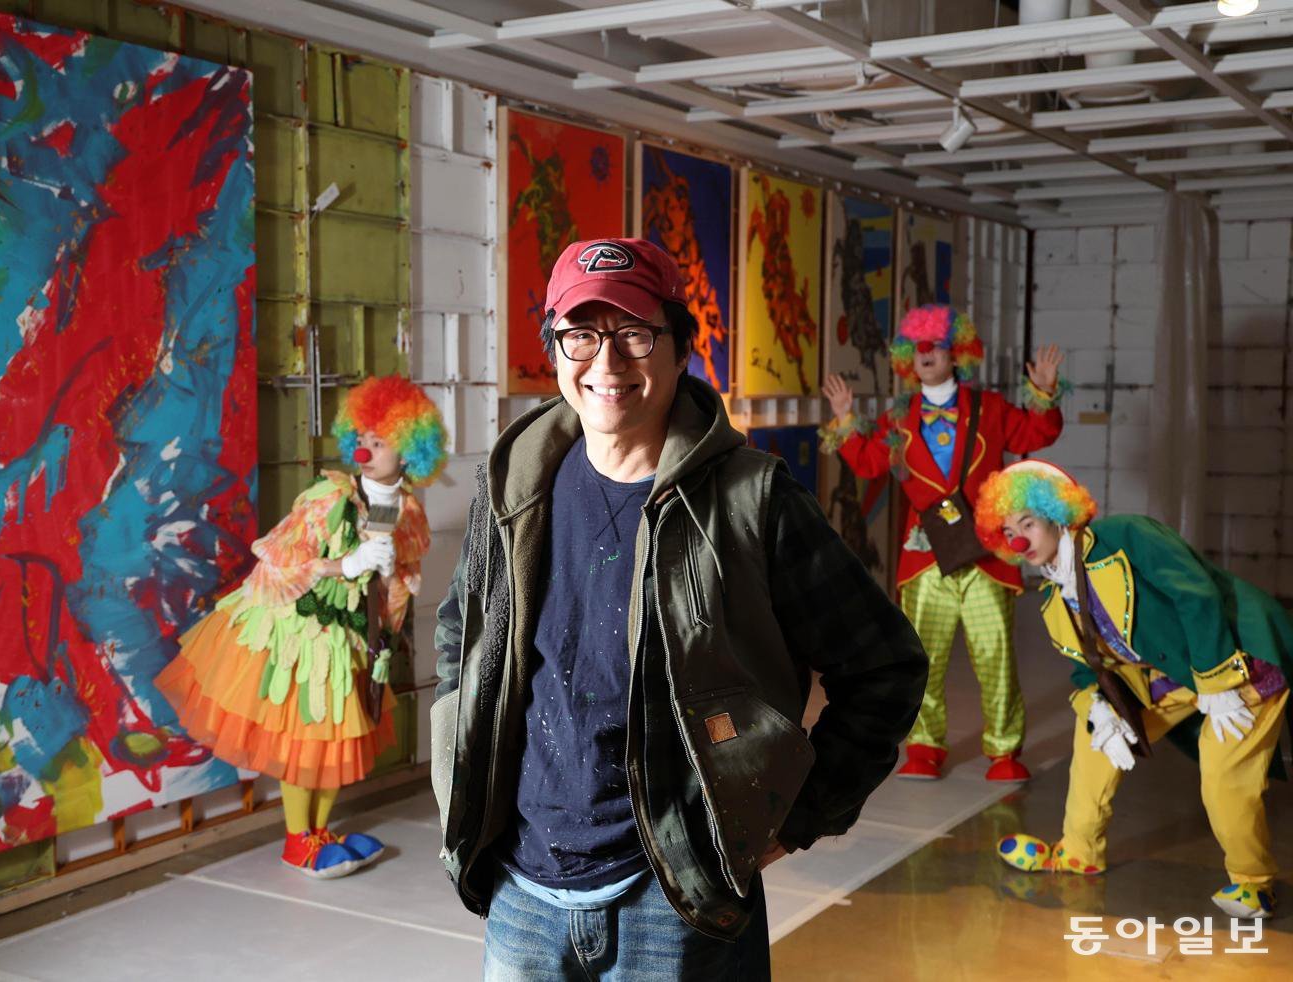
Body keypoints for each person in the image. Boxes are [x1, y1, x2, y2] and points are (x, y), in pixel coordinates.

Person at [430, 238, 927, 979]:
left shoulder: (753, 500)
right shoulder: (513, 486)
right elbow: (460, 629)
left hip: (676, 897)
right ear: (555, 347)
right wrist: (458, 759)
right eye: (580, 334)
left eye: (634, 333)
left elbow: (884, 668)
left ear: (681, 348)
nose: (606, 362)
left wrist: (797, 817)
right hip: (520, 892)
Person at [157, 376, 446, 878]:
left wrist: (386, 589)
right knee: (306, 739)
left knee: (336, 739)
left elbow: (397, 589)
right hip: (301, 634)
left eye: (381, 442)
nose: (366, 451)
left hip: (351, 638)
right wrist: (344, 565)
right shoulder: (327, 499)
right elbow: (273, 567)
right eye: (363, 438)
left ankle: (320, 833)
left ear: (410, 451)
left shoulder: (408, 512)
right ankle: (297, 841)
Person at [981, 460, 1289, 919]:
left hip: (1238, 656)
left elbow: (1196, 594)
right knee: (1095, 735)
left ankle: (1254, 881)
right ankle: (1079, 852)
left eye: (1028, 524)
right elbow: (1087, 669)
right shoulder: (1054, 596)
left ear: (1058, 515)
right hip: (1172, 675)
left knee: (1224, 768)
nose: (1019, 541)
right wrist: (1099, 708)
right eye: (1009, 531)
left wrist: (1217, 679)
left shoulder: (1126, 537)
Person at [820, 305, 1066, 782]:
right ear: (908, 358)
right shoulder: (898, 419)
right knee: (923, 659)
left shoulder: (989, 408)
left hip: (985, 554)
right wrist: (846, 418)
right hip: (925, 556)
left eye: (936, 345)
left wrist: (1044, 392)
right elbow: (869, 463)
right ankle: (925, 746)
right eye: (918, 348)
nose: (926, 353)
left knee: (996, 657)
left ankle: (1004, 751)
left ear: (958, 353)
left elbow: (1038, 431)